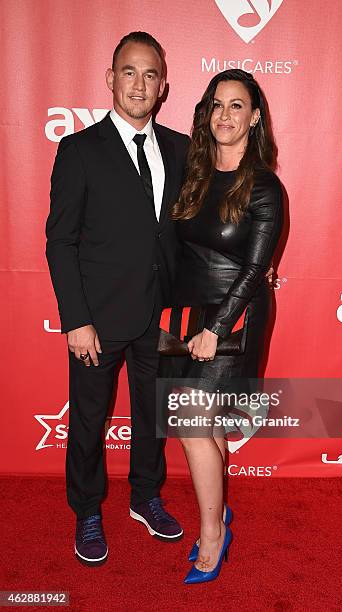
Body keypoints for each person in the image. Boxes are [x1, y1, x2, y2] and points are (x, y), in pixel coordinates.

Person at [45, 31, 189, 566]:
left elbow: (192, 232)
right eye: (129, 72)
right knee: (87, 420)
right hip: (97, 320)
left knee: (153, 415)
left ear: (163, 87)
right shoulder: (79, 150)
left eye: (150, 74)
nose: (139, 84)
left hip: (161, 315)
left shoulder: (181, 149)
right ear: (111, 79)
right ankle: (86, 510)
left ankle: (146, 497)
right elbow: (60, 241)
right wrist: (76, 320)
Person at [162, 69, 284, 584]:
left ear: (255, 117)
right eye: (217, 105)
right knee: (205, 427)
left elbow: (256, 270)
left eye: (238, 106)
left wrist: (216, 328)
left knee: (191, 429)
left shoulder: (264, 186)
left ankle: (212, 534)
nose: (225, 116)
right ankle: (220, 514)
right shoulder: (193, 172)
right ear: (205, 112)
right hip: (190, 316)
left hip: (234, 318)